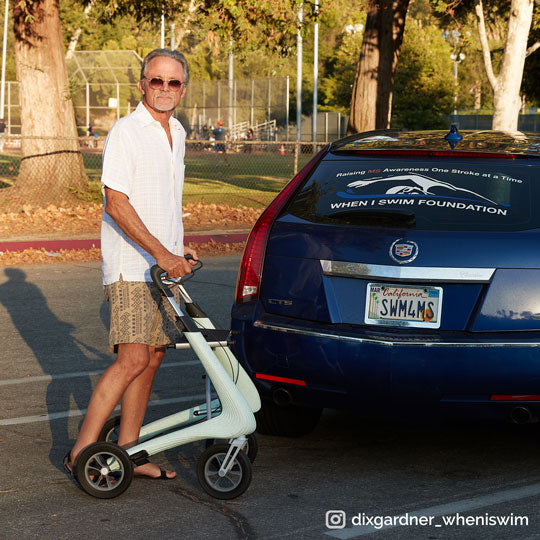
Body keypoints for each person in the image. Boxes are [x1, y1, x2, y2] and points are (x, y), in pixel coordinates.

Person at [63, 48, 198, 481]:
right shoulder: (127, 131)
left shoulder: (176, 131)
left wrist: (180, 249)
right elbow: (116, 203)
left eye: (172, 82)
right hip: (132, 266)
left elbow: (164, 203)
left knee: (153, 358)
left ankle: (129, 451)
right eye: (155, 81)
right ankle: (81, 453)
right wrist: (162, 254)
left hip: (164, 266)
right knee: (133, 358)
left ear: (182, 89)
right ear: (142, 85)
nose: (163, 89)